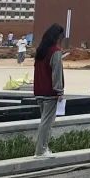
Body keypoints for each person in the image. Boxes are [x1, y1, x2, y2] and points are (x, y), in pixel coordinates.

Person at [33, 23, 66, 158]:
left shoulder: (40, 51)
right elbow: (56, 73)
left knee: (44, 120)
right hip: (50, 92)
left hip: (39, 90)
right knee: (47, 122)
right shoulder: (55, 51)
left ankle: (43, 148)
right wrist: (59, 90)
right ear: (58, 36)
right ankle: (41, 150)